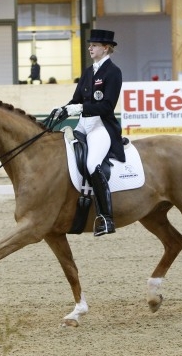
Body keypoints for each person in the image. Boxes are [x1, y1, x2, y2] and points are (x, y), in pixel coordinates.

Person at [53, 29, 125, 236]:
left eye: (94, 45)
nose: (90, 48)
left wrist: (81, 108)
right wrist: (63, 109)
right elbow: (76, 100)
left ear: (106, 48)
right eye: (90, 45)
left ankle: (105, 217)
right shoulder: (88, 72)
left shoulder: (113, 72)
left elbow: (107, 107)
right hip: (83, 125)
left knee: (93, 164)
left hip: (101, 126)